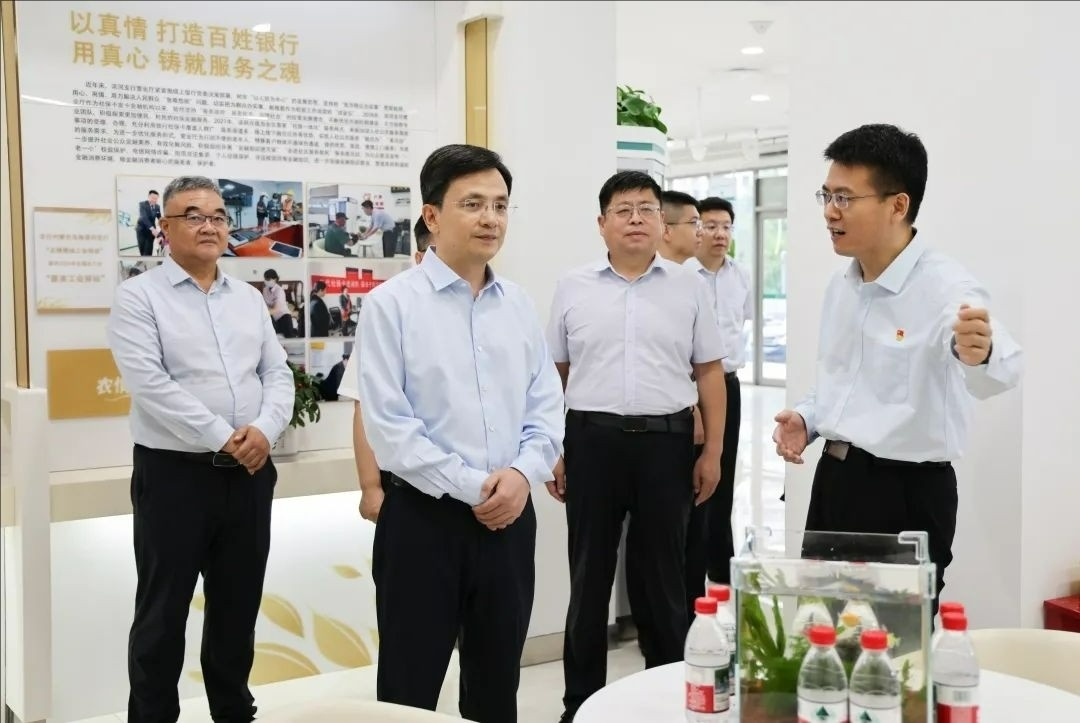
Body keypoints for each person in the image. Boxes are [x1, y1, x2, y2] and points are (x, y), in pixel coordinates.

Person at [772, 123, 1023, 614]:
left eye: (845, 198)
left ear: (898, 205)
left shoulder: (946, 288)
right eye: (826, 195)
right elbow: (842, 383)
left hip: (904, 495)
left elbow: (1005, 368)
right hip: (835, 482)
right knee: (820, 630)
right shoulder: (842, 286)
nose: (829, 211)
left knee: (892, 645)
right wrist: (807, 418)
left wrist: (982, 352)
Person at [357, 145, 564, 723]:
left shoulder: (517, 304)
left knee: (497, 684)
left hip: (510, 520)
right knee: (409, 688)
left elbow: (547, 405)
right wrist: (480, 489)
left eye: (500, 205)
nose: (490, 218)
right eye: (472, 204)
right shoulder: (390, 306)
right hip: (424, 522)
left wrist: (521, 475)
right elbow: (390, 430)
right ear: (431, 215)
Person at [107, 175, 295, 723]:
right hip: (175, 477)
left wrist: (264, 430)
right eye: (193, 216)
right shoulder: (139, 296)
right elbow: (151, 386)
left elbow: (277, 372)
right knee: (162, 612)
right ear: (165, 229)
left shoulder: (248, 298)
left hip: (249, 474)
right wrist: (225, 437)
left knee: (238, 606)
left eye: (217, 216)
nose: (209, 225)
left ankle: (233, 711)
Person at [546, 170, 728, 723]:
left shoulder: (689, 287)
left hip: (666, 447)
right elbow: (553, 374)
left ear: (661, 223)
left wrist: (713, 452)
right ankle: (579, 705)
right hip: (591, 443)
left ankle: (668, 701)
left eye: (647, 209)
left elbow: (709, 372)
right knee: (588, 582)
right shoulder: (572, 286)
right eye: (623, 210)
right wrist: (554, 447)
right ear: (602, 223)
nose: (635, 219)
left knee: (664, 584)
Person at [338, 215, 432, 524]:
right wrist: (370, 487)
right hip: (407, 483)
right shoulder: (390, 308)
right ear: (419, 258)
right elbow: (362, 404)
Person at [683, 196, 753, 613]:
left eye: (726, 226)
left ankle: (720, 563)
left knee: (724, 471)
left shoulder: (740, 275)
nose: (719, 234)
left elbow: (742, 323)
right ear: (696, 230)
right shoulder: (681, 276)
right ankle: (691, 567)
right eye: (710, 225)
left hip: (728, 384)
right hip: (691, 388)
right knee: (694, 476)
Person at [262, 269, 297, 338]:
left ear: (274, 279)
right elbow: (264, 304)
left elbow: (276, 309)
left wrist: (263, 313)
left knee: (289, 338)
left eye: (268, 279)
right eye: (265, 279)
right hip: (272, 317)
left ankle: (294, 331)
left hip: (283, 316)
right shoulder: (265, 290)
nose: (266, 281)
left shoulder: (279, 291)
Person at [136, 189, 161, 256]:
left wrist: (164, 225)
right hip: (141, 230)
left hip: (151, 233)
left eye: (156, 198)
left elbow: (159, 218)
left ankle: (147, 260)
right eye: (153, 198)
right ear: (148, 197)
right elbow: (144, 217)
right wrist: (153, 229)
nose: (154, 200)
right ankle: (143, 260)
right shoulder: (142, 204)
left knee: (149, 250)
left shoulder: (157, 207)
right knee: (142, 249)